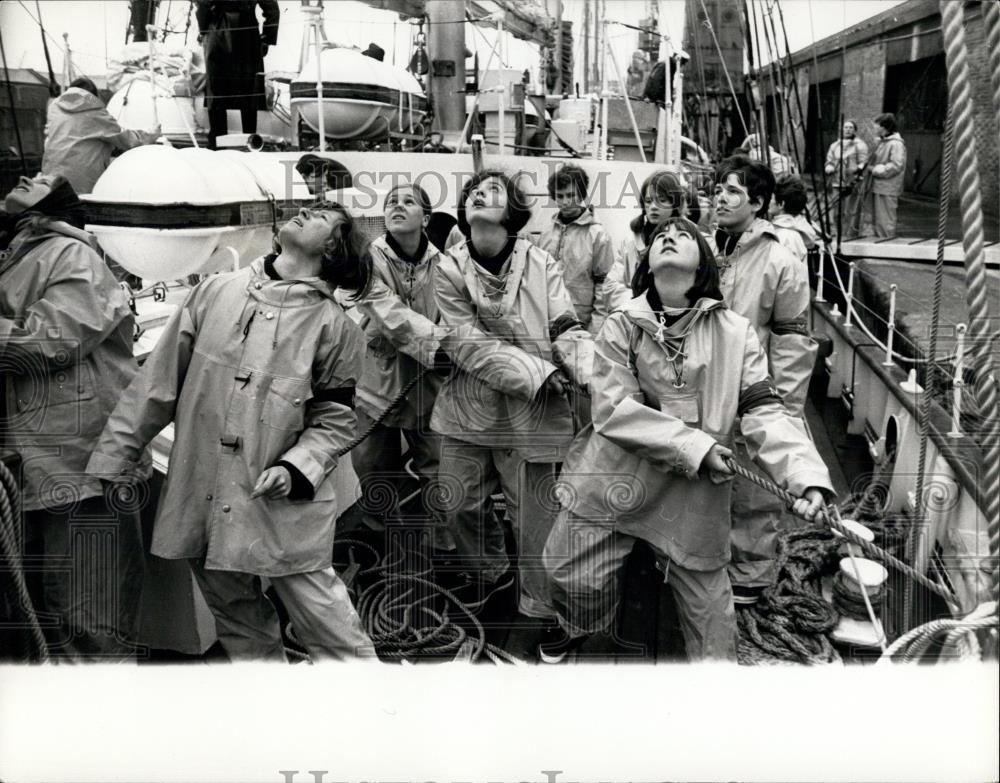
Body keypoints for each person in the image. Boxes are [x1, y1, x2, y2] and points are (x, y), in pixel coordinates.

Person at [86, 204, 376, 662]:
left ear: (333, 246)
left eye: (321, 215)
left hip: (281, 505)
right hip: (202, 492)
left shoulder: (336, 329)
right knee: (239, 623)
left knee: (331, 628)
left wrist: (295, 467)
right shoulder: (215, 292)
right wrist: (115, 457)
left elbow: (336, 419)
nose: (304, 211)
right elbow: (156, 385)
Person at [541, 218, 833, 662]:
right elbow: (616, 410)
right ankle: (579, 623)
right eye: (660, 236)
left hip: (692, 493)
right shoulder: (621, 326)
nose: (669, 236)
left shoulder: (738, 334)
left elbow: (763, 410)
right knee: (566, 571)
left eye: (683, 234)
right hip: (618, 476)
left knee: (711, 611)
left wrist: (805, 476)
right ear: (647, 265)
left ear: (703, 265)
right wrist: (696, 448)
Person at [432, 169, 593, 620]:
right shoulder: (447, 270)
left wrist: (594, 373)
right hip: (472, 404)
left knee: (533, 515)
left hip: (535, 411)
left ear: (513, 213)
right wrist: (538, 373)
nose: (480, 193)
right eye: (473, 191)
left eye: (493, 190)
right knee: (458, 500)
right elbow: (465, 342)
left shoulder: (542, 264)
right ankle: (491, 572)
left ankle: (539, 603)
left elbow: (565, 327)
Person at [0, 174, 145, 659]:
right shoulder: (17, 256)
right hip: (35, 467)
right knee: (44, 615)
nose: (25, 175)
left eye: (42, 179)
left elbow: (52, 341)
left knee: (88, 618)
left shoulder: (72, 256)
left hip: (82, 465)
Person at [711, 155, 817, 604]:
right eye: (718, 188)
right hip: (704, 386)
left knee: (754, 487)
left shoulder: (781, 261)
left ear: (757, 203)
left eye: (732, 190)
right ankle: (703, 556)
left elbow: (792, 343)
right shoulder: (705, 248)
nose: (719, 196)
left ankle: (751, 576)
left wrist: (786, 410)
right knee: (708, 476)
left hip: (756, 390)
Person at [352, 184, 454, 554]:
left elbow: (453, 315)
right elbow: (389, 314)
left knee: (440, 468)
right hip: (377, 383)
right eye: (391, 201)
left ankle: (443, 546)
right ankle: (382, 544)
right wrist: (441, 348)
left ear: (425, 218)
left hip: (429, 387)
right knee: (374, 471)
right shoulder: (367, 260)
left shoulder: (444, 265)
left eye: (408, 201)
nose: (398, 205)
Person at [40, 76, 160, 195]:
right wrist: (151, 135)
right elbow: (127, 139)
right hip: (79, 184)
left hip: (51, 179)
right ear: (93, 95)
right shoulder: (93, 110)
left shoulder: (54, 108)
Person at [534, 164, 615, 335]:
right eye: (560, 196)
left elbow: (604, 286)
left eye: (570, 195)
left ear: (581, 195)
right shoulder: (546, 232)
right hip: (546, 321)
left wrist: (596, 328)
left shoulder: (598, 235)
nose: (565, 202)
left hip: (581, 325)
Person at [605, 169, 700, 313]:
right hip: (634, 321)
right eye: (648, 201)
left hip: (677, 322)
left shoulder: (694, 239)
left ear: (675, 203)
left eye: (661, 200)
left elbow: (702, 286)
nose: (654, 207)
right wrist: (642, 302)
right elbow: (610, 286)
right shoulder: (631, 241)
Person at [196, 0, 280, 149]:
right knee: (248, 91)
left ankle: (217, 143)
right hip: (248, 35)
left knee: (217, 91)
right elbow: (272, 9)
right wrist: (267, 38)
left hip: (217, 32)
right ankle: (250, 143)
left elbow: (203, 5)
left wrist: (203, 31)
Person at [861, 113, 907, 239]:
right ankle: (881, 241)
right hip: (879, 187)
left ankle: (886, 242)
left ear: (884, 127)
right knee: (878, 220)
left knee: (885, 220)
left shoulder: (895, 144)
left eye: (876, 126)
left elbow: (896, 165)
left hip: (887, 188)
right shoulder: (884, 142)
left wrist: (876, 169)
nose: (874, 129)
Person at [823, 119, 868, 239]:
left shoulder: (860, 145)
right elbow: (829, 160)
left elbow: (863, 161)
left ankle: (849, 233)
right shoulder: (835, 145)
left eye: (851, 128)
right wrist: (829, 166)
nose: (848, 130)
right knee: (835, 209)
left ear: (855, 130)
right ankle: (835, 232)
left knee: (850, 209)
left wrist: (858, 168)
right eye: (846, 127)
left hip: (852, 182)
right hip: (837, 182)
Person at [769, 174, 820, 264]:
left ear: (781, 204)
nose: (768, 201)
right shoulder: (797, 231)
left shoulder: (784, 237)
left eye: (771, 198)